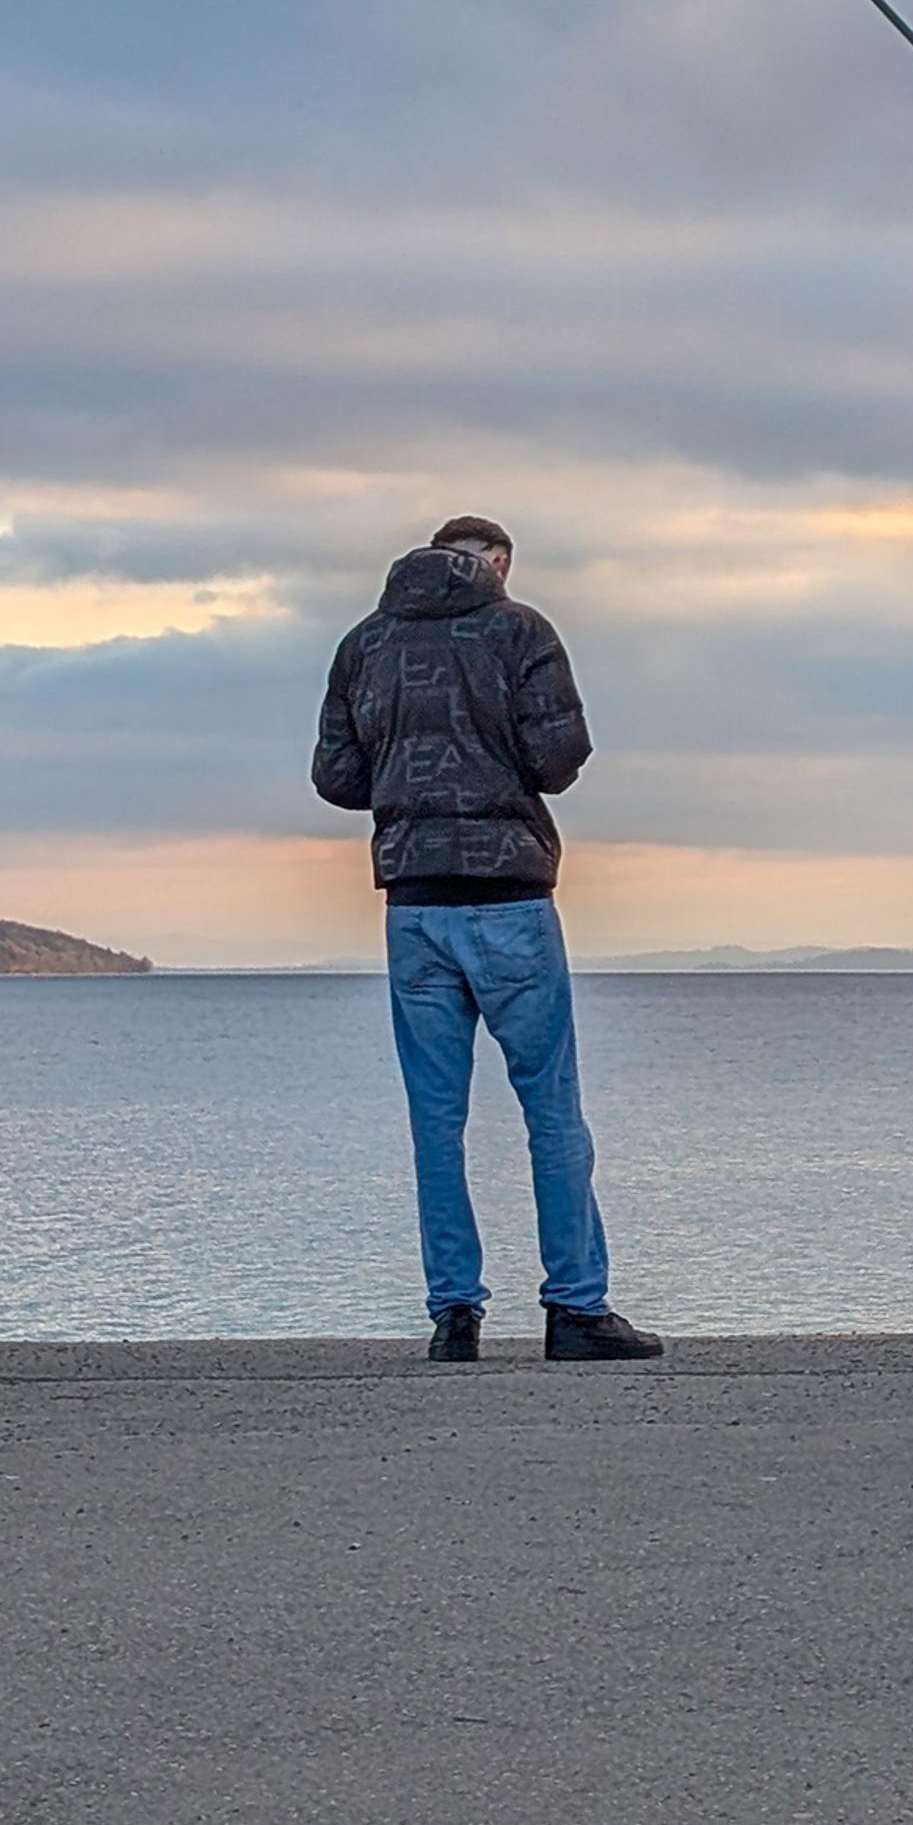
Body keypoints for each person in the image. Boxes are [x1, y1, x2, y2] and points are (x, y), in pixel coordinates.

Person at [312, 515, 663, 1366]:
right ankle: (575, 1308)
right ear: (495, 562)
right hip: (509, 899)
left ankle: (454, 1317)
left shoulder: (365, 643)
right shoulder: (521, 631)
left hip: (413, 906)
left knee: (436, 1122)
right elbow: (558, 756)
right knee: (551, 1111)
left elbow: (337, 776)